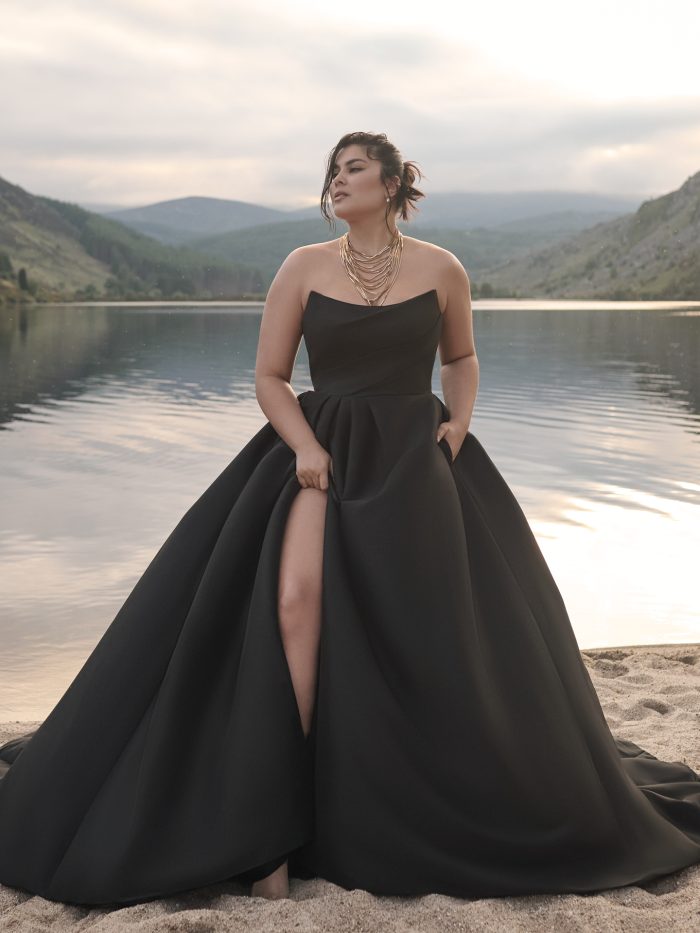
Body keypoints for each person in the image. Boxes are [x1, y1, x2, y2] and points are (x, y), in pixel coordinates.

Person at [1, 130, 700, 909]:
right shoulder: (302, 266)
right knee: (296, 604)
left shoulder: (443, 269)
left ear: (394, 182)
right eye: (331, 171)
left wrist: (457, 426)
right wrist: (302, 445)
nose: (337, 181)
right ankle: (268, 824)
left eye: (353, 168)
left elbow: (461, 359)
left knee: (420, 625)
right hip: (319, 454)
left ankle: (403, 791)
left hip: (413, 460)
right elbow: (268, 376)